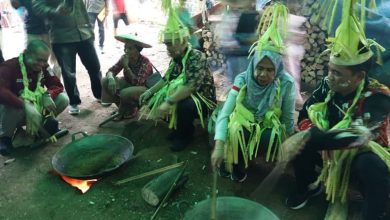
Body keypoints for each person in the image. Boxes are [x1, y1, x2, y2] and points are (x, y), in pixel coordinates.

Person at [284, 1, 390, 219]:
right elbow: (305, 113)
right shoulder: (327, 84)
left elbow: (358, 135)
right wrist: (309, 133)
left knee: (372, 167)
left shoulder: (377, 96)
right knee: (301, 139)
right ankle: (309, 188)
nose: (330, 77)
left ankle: (369, 211)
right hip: (327, 152)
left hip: (356, 157)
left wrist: (312, 136)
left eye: (338, 73)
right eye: (330, 70)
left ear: (359, 77)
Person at [211, 3, 295, 182]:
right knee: (237, 130)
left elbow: (288, 116)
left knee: (265, 137)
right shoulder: (242, 79)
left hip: (268, 124)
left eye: (270, 70)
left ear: (278, 69)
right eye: (260, 68)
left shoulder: (286, 83)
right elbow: (226, 113)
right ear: (253, 65)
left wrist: (288, 142)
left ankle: (248, 158)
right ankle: (236, 163)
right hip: (244, 120)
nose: (263, 74)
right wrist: (219, 145)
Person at [139, 2, 216, 152]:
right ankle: (179, 128)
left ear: (183, 41)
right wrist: (149, 92)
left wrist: (168, 101)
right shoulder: (176, 59)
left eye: (172, 44)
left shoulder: (196, 56)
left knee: (182, 103)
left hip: (203, 100)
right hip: (189, 96)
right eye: (167, 44)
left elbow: (190, 86)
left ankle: (186, 135)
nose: (169, 48)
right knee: (163, 95)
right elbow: (166, 79)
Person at [32, 0, 103, 115]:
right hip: (62, 37)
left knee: (94, 66)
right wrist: (55, 11)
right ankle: (74, 101)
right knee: (69, 73)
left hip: (84, 34)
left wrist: (90, 29)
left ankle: (99, 94)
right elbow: (37, 7)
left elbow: (81, 8)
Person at [0, 40, 69, 156]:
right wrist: (24, 105)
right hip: (17, 110)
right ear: (26, 53)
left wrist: (47, 95)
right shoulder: (9, 67)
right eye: (38, 59)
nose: (41, 64)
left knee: (62, 99)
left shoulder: (44, 67)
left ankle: (40, 129)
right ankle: (5, 138)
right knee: (10, 107)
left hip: (37, 107)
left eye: (44, 60)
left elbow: (57, 85)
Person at [101, 33, 153, 120]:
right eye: (125, 47)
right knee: (105, 80)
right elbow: (111, 71)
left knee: (125, 93)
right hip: (128, 84)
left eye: (130, 48)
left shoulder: (145, 62)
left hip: (143, 88)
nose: (126, 50)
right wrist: (110, 78)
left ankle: (131, 109)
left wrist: (126, 66)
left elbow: (137, 82)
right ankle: (124, 108)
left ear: (138, 50)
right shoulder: (125, 58)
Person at [10, 0, 62, 79]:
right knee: (33, 61)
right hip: (33, 30)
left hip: (51, 30)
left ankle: (54, 85)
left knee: (58, 61)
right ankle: (37, 86)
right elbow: (15, 5)